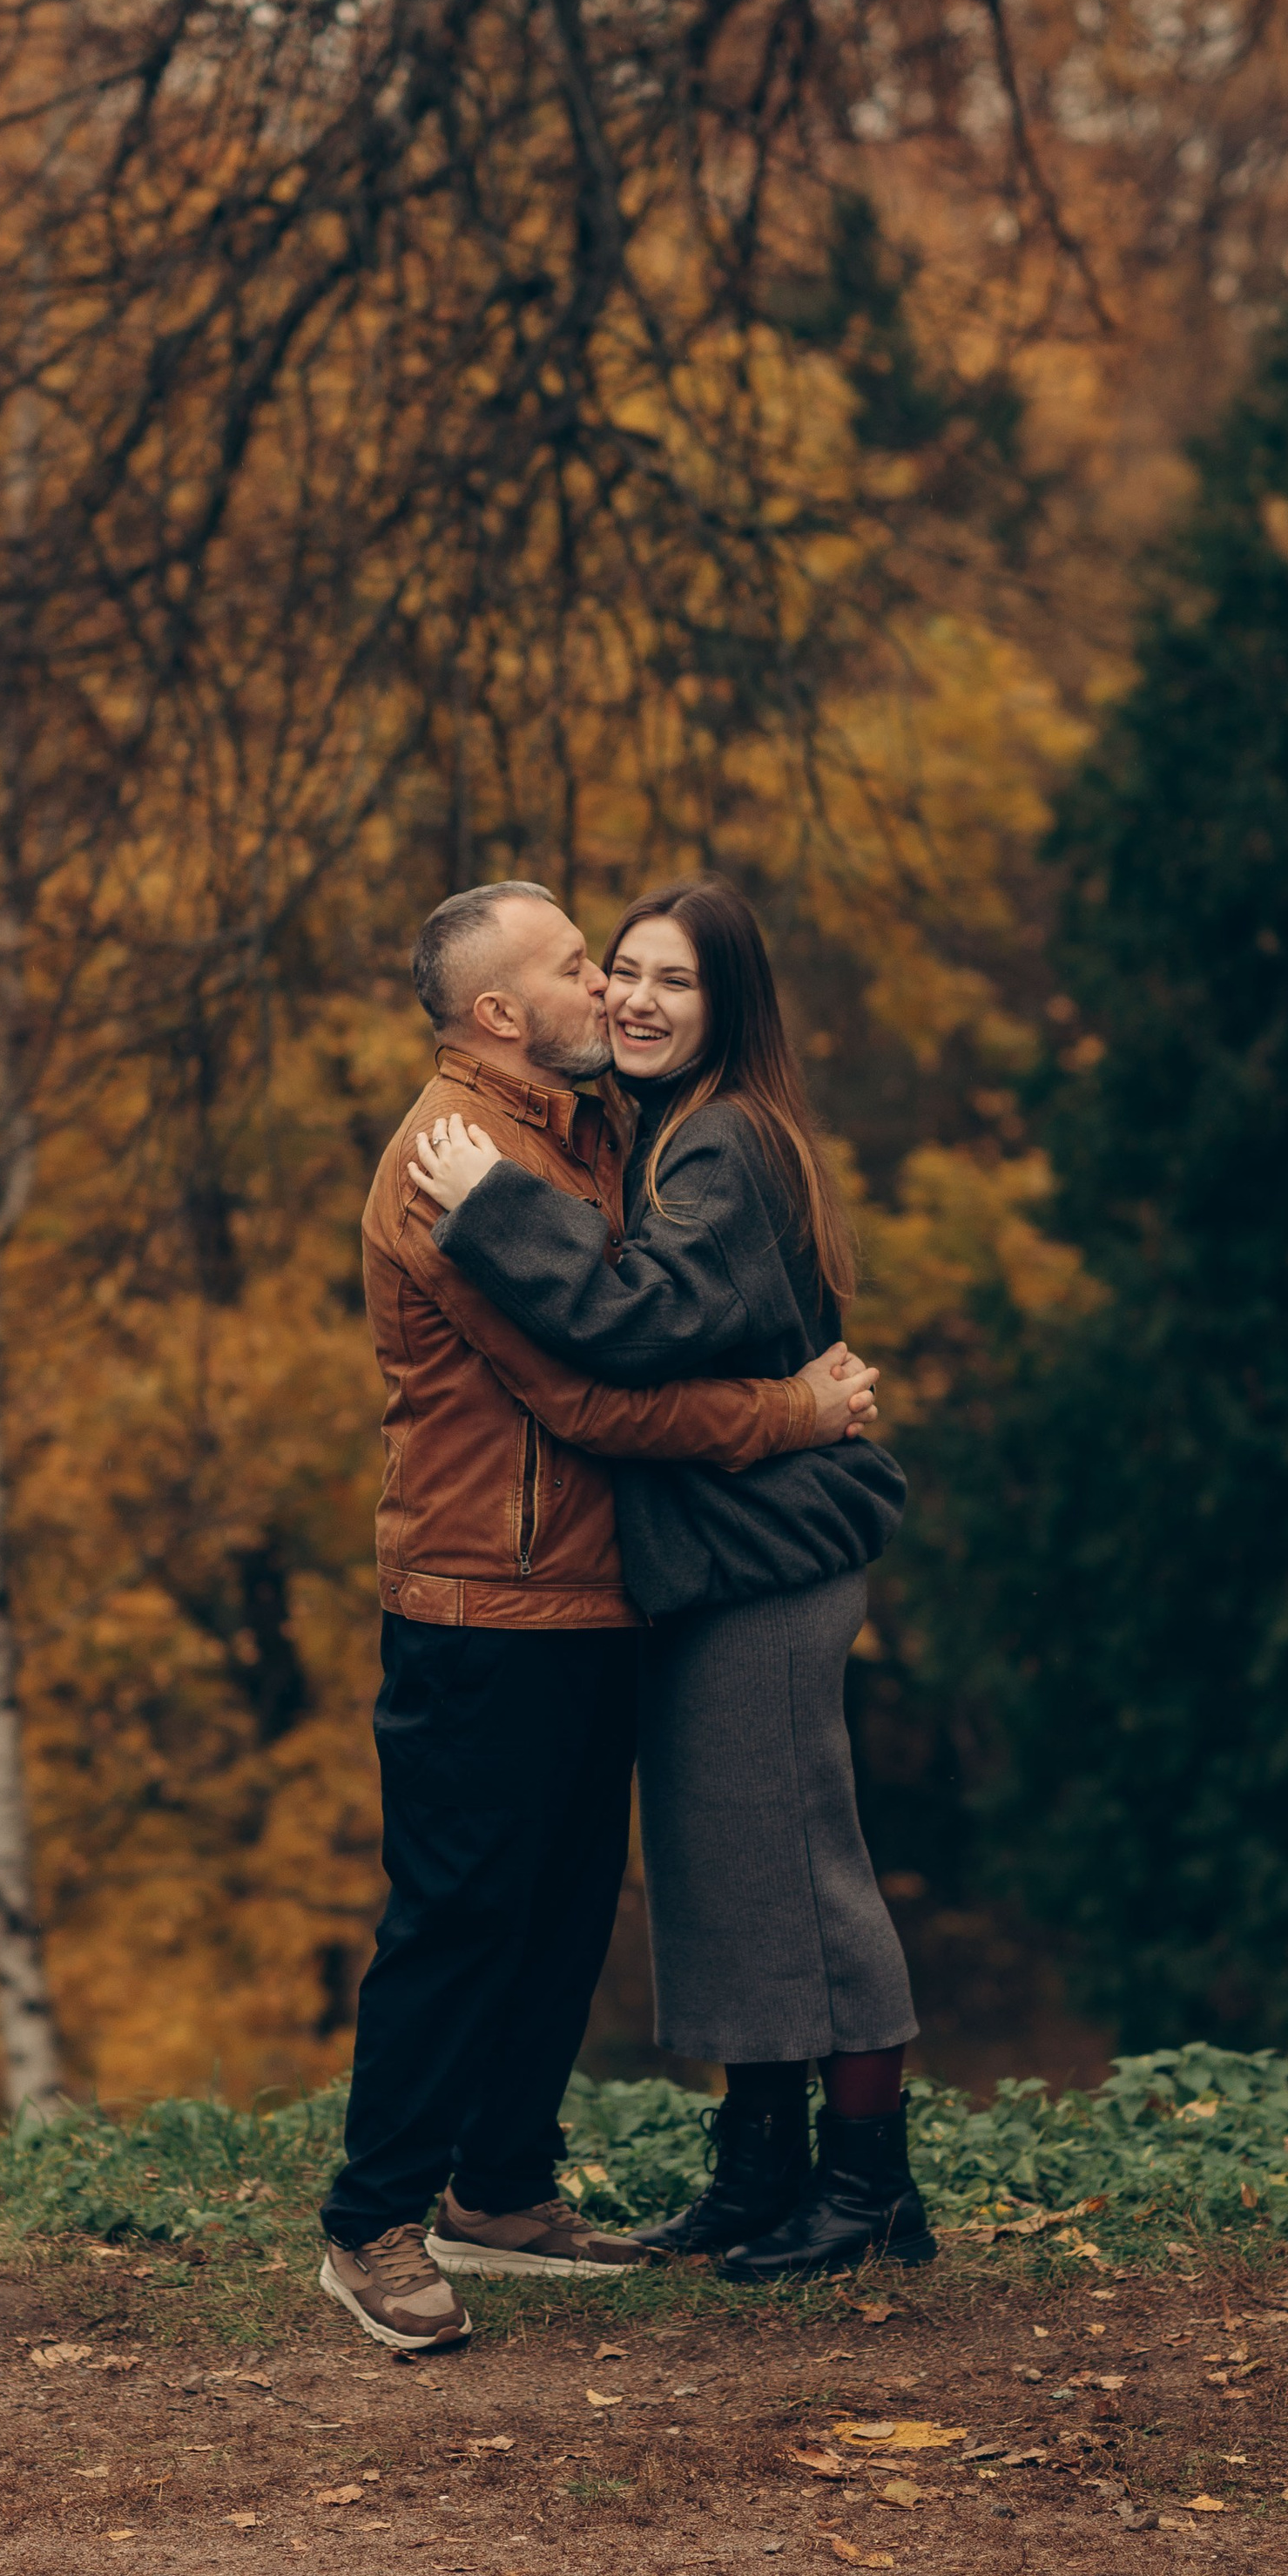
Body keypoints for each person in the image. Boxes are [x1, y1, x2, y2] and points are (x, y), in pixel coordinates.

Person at [320, 880, 869, 2352]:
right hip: (476, 1597)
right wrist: (792, 1411)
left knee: (561, 1911)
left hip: (583, 1593)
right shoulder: (453, 1165)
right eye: (580, 968)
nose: (605, 991)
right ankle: (373, 2222)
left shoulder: (581, 1132)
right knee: (456, 1913)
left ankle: (499, 2192)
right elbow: (585, 1394)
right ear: (501, 1012)